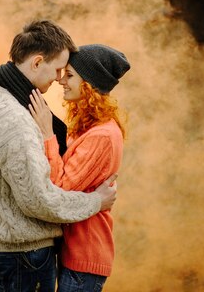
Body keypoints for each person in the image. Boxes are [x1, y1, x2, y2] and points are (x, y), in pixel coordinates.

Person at [0, 21, 118, 292]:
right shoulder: (16, 119)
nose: (58, 79)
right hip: (26, 252)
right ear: (37, 62)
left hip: (9, 248)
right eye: (58, 70)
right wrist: (96, 201)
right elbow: (39, 200)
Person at [29, 44, 130, 292]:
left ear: (90, 84)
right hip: (74, 253)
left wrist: (47, 134)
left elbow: (60, 187)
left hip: (84, 256)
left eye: (70, 75)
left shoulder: (102, 135)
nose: (61, 81)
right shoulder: (90, 127)